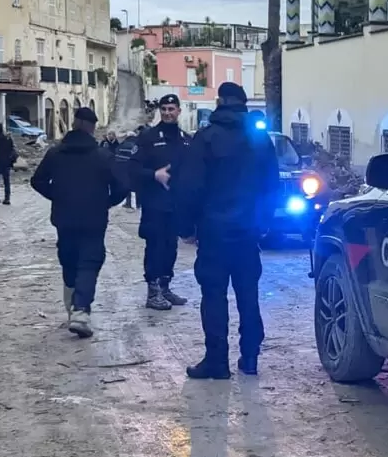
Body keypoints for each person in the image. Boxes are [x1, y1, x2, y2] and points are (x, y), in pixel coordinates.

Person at [175, 82, 278, 379]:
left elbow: (190, 186)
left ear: (219, 101)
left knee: (214, 295)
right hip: (248, 232)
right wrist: (263, 222)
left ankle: (217, 361)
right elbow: (272, 185)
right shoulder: (260, 140)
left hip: (214, 233)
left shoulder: (206, 138)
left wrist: (186, 227)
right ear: (244, 104)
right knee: (248, 293)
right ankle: (250, 357)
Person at [31, 107, 129, 338]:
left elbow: (37, 181)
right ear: (92, 127)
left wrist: (58, 195)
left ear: (74, 124)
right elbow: (122, 187)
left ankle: (71, 308)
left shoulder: (55, 153)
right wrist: (105, 202)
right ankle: (81, 310)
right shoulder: (103, 156)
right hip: (93, 218)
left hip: (64, 218)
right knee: (90, 262)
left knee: (69, 260)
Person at [131, 94, 190, 311]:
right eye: (164, 109)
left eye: (171, 109)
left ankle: (165, 287)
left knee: (171, 247)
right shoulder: (148, 137)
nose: (167, 112)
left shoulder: (185, 139)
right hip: (154, 204)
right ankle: (153, 291)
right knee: (155, 247)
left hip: (176, 205)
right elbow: (132, 169)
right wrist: (154, 175)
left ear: (178, 111)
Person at [114, 126, 143, 209]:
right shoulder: (137, 145)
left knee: (127, 186)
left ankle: (128, 203)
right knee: (137, 186)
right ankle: (138, 204)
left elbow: (117, 156)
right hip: (135, 169)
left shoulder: (122, 144)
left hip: (124, 169)